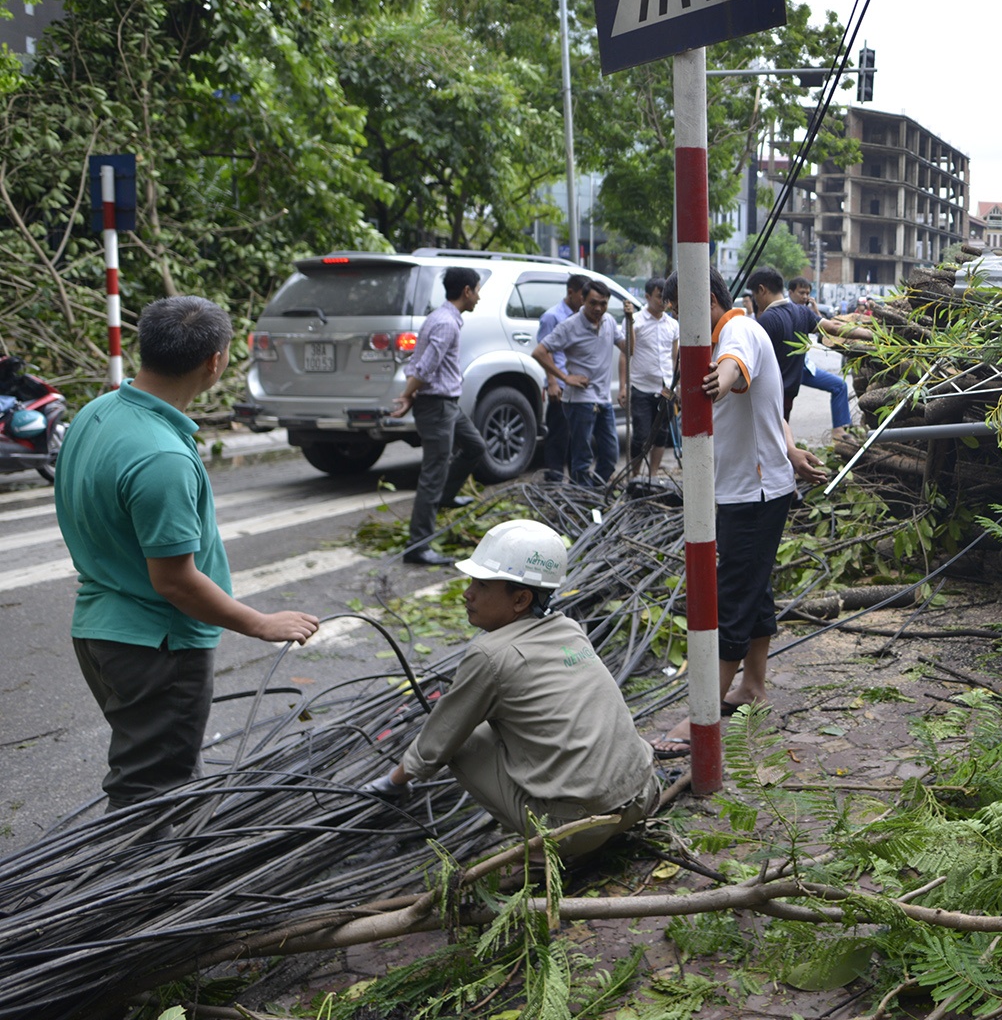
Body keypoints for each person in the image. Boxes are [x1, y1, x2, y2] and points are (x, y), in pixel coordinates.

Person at [57, 296, 320, 810]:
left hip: (100, 630)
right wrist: (260, 623)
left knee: (167, 771)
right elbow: (174, 582)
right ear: (214, 362)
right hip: (157, 647)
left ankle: (169, 869)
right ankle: (137, 887)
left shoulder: (95, 413)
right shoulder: (163, 458)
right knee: (149, 796)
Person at [359, 519, 657, 855]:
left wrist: (393, 783)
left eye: (483, 585)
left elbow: (439, 740)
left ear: (521, 599)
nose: (467, 593)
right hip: (644, 796)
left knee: (464, 737)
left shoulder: (491, 654)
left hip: (576, 829)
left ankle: (540, 853)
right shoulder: (569, 628)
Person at [654, 271, 827, 755]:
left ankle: (701, 715)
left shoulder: (739, 332)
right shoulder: (720, 336)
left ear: (706, 300)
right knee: (754, 588)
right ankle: (752, 685)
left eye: (678, 311)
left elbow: (733, 373)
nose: (676, 323)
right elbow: (773, 408)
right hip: (747, 488)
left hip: (752, 494)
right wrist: (790, 450)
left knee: (732, 594)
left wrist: (713, 385)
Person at [391, 267, 487, 566]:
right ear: (467, 291)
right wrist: (408, 395)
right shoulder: (446, 323)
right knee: (432, 473)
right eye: (477, 290)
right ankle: (418, 546)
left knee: (475, 447)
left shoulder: (440, 317)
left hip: (447, 404)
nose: (479, 297)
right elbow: (424, 368)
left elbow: (421, 362)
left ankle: (446, 496)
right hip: (436, 406)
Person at [533, 281, 628, 486]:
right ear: (582, 300)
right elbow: (539, 352)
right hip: (579, 400)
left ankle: (594, 492)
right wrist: (565, 378)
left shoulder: (609, 321)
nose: (598, 308)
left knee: (610, 454)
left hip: (603, 399)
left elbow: (629, 349)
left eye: (603, 304)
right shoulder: (569, 325)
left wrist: (630, 320)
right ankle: (582, 498)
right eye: (593, 303)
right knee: (582, 457)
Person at [744, 267, 870, 421]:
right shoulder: (803, 313)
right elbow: (834, 328)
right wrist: (873, 335)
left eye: (755, 295)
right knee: (781, 436)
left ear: (762, 289)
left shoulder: (767, 320)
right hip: (789, 395)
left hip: (769, 397)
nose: (755, 301)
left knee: (771, 441)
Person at [537, 275, 590, 484]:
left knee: (575, 435)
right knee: (558, 433)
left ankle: (574, 481)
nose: (586, 301)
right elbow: (544, 351)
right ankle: (554, 478)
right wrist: (551, 382)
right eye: (583, 296)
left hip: (577, 385)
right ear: (571, 293)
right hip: (559, 384)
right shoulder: (552, 316)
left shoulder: (582, 316)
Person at [628, 276, 679, 483]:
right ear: (648, 297)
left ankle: (653, 475)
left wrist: (679, 385)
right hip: (641, 387)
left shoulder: (673, 325)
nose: (664, 302)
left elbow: (675, 357)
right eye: (659, 297)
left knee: (661, 434)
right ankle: (634, 475)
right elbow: (627, 352)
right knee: (641, 435)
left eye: (666, 298)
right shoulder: (636, 322)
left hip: (666, 387)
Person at [786, 277, 855, 430]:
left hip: (804, 368)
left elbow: (825, 333)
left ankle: (840, 430)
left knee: (840, 386)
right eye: (801, 293)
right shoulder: (783, 311)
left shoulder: (805, 313)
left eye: (807, 294)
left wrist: (816, 313)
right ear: (790, 292)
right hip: (786, 369)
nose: (804, 297)